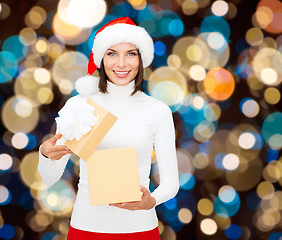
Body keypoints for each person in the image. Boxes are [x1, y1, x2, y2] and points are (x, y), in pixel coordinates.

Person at [38, 17, 179, 240]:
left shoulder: (157, 110)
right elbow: (49, 178)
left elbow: (171, 182)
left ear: (141, 58)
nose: (121, 64)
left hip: (140, 230)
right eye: (112, 53)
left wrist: (151, 200)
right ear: (101, 58)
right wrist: (46, 155)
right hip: (86, 229)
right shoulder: (79, 106)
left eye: (130, 53)